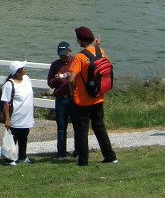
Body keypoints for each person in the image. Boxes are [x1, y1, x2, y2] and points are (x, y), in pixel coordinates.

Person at [68, 26, 118, 166]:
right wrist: (97, 46)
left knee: (82, 131)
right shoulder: (100, 51)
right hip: (98, 97)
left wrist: (72, 92)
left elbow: (71, 78)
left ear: (81, 40)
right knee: (100, 128)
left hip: (83, 101)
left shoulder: (80, 57)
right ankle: (110, 156)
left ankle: (83, 161)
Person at [47, 41, 77, 159]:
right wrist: (57, 79)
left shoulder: (76, 61)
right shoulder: (55, 65)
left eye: (65, 54)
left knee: (77, 126)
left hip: (74, 98)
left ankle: (78, 151)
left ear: (70, 52)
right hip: (61, 99)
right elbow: (50, 83)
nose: (63, 57)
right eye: (61, 54)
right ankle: (61, 153)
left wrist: (72, 76)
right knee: (61, 127)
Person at [2, 60, 34, 166]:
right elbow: (5, 103)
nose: (25, 69)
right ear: (17, 72)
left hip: (26, 116)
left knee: (23, 137)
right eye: (22, 68)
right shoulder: (9, 84)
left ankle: (22, 157)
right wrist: (7, 119)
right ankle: (9, 159)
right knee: (12, 138)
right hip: (15, 117)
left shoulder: (27, 79)